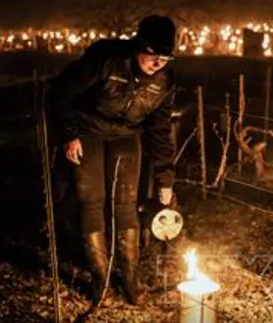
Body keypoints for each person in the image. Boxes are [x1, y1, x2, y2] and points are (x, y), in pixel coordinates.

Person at [50, 15, 179, 306]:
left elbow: (160, 130)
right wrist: (69, 134)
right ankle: (101, 281)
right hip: (87, 130)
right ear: (138, 46)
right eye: (152, 54)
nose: (158, 62)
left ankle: (130, 279)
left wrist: (165, 179)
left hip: (125, 135)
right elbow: (60, 93)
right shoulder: (106, 61)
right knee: (92, 198)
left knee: (125, 202)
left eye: (165, 57)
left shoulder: (165, 81)